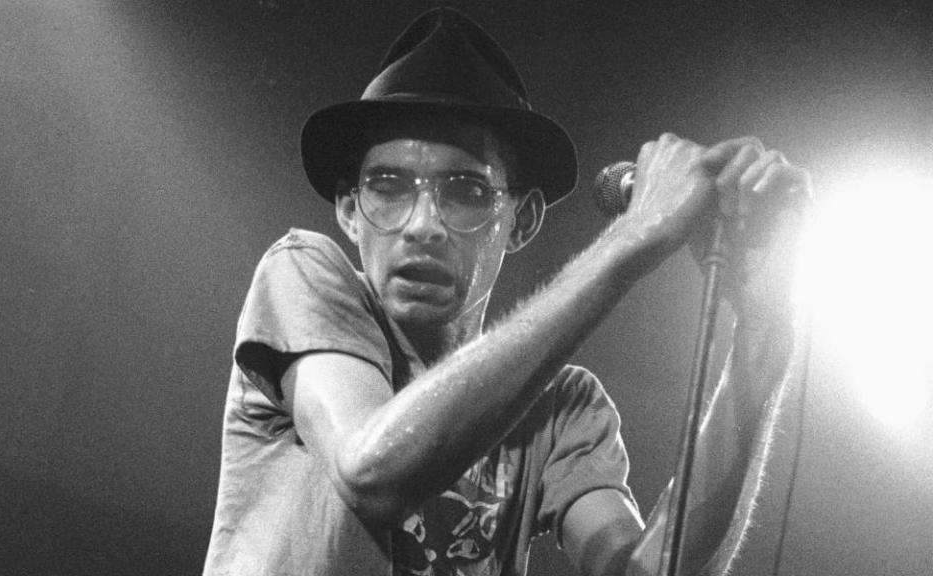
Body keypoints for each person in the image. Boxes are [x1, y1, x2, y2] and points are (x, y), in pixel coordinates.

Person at [203, 8, 811, 576]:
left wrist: (763, 336)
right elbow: (371, 470)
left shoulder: (563, 407)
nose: (421, 223)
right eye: (388, 186)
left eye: (464, 191)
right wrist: (629, 242)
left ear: (520, 222)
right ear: (348, 208)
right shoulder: (303, 272)